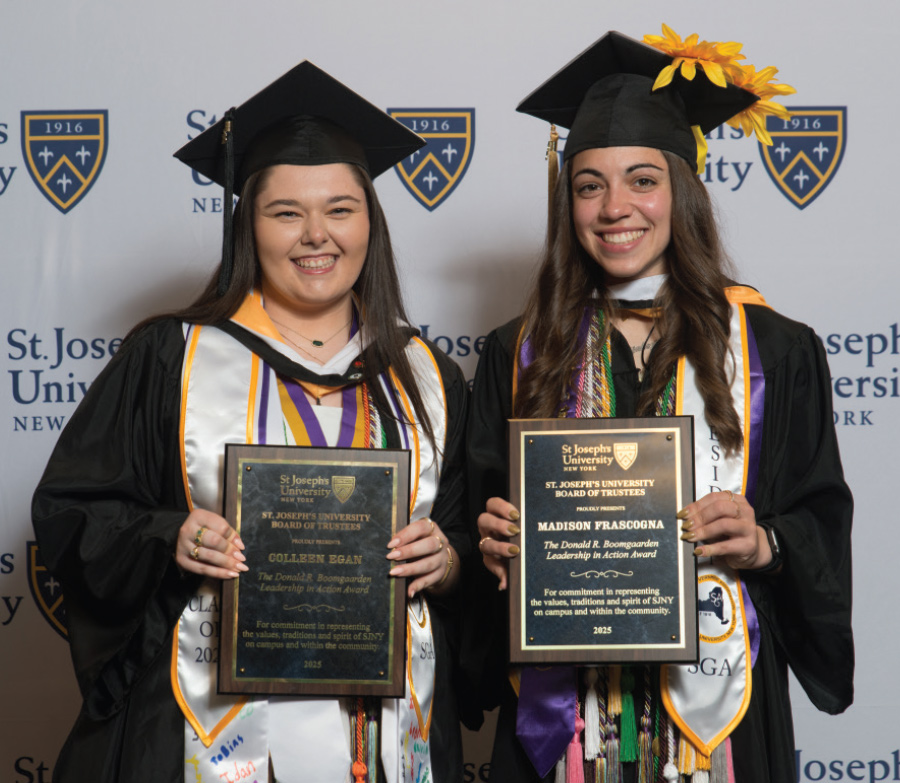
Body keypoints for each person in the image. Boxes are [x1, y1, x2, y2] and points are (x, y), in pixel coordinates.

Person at [32, 62, 470, 783]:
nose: (315, 236)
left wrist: (448, 563)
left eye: (340, 208)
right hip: (212, 721)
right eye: (285, 212)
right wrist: (166, 534)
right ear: (248, 225)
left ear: (371, 221)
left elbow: (471, 545)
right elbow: (74, 516)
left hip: (387, 729)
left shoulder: (428, 374)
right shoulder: (170, 359)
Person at [465, 28, 853, 783]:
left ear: (683, 189)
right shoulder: (516, 354)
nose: (615, 208)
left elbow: (818, 519)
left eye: (642, 179)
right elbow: (476, 562)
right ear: (566, 200)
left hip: (722, 717)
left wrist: (766, 543)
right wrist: (491, 553)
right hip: (560, 721)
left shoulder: (775, 349)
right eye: (588, 185)